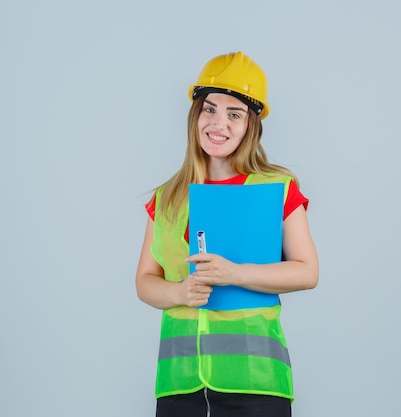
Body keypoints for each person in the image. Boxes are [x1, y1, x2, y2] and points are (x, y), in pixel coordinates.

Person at [135, 51, 319, 417]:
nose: (218, 123)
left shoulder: (276, 190)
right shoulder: (168, 197)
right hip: (179, 382)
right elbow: (144, 281)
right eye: (210, 109)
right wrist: (178, 292)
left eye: (234, 114)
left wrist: (235, 273)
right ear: (195, 115)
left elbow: (306, 271)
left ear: (251, 125)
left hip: (255, 382)